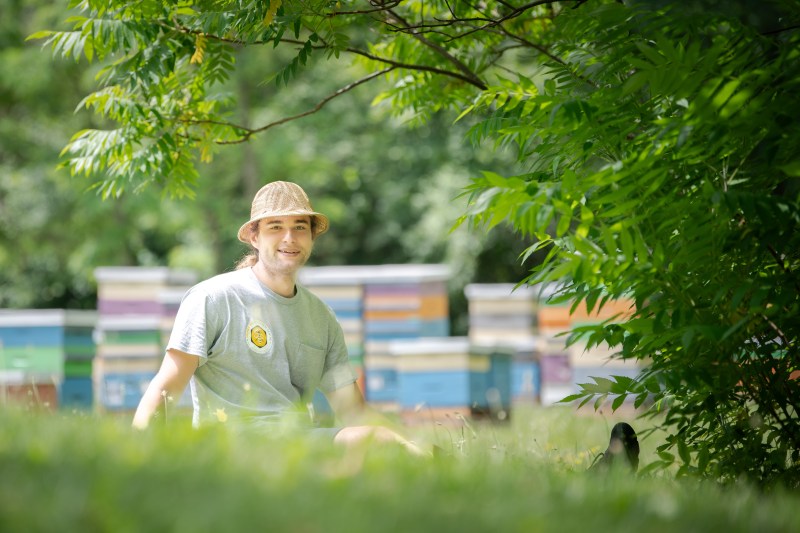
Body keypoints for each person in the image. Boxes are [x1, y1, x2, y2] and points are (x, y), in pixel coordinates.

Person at [132, 180, 424, 454]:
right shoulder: (213, 299)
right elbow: (165, 387)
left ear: (311, 237)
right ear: (255, 237)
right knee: (378, 443)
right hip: (227, 450)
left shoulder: (322, 318)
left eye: (299, 227)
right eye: (276, 227)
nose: (289, 238)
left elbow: (352, 411)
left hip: (296, 448)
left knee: (381, 449)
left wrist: (407, 442)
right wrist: (140, 457)